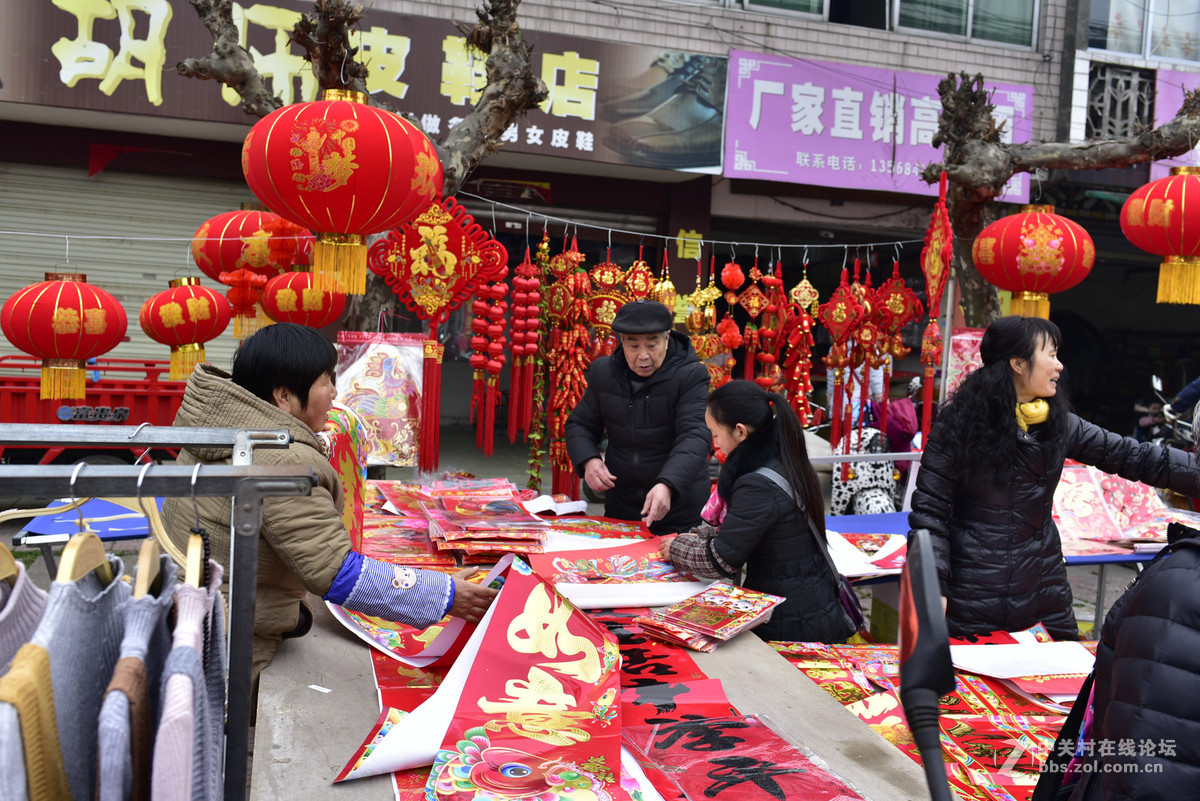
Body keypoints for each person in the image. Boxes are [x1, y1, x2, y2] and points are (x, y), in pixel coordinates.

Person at [161, 323, 498, 677]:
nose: (335, 392)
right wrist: (445, 595)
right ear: (284, 396)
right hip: (226, 645)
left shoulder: (223, 431)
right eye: (325, 381)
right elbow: (337, 572)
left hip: (190, 618)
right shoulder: (281, 461)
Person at [908, 316, 1199, 641]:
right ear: (1019, 363)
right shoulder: (959, 427)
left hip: (1043, 589)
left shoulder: (1058, 423)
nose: (1060, 365)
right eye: (1051, 354)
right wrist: (933, 586)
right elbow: (930, 514)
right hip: (974, 594)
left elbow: (1134, 456)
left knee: (1062, 668)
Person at [659, 380, 854, 643]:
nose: (714, 444)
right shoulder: (783, 457)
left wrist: (676, 548)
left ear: (740, 431)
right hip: (806, 601)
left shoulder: (758, 483)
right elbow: (748, 529)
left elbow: (721, 561)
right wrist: (701, 537)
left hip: (791, 619)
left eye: (715, 434)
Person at [564, 299, 710, 535]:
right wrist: (589, 460)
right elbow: (579, 424)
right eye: (633, 346)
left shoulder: (690, 375)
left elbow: (694, 435)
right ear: (621, 341)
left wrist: (668, 484)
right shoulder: (604, 372)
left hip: (676, 505)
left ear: (667, 339)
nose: (643, 356)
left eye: (652, 345)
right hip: (621, 504)